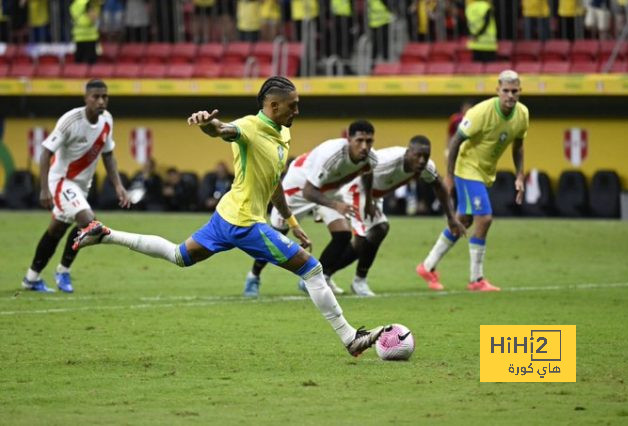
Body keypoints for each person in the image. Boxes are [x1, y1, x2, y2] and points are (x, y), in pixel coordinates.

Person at [73, 76, 385, 357]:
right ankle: (350, 338)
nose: (297, 111)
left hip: (226, 216)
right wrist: (207, 123)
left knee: (179, 256)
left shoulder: (283, 133)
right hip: (245, 223)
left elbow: (274, 180)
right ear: (274, 105)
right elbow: (223, 130)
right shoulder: (249, 126)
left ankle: (106, 234)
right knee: (313, 270)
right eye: (293, 106)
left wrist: (292, 223)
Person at [417, 70, 529, 292]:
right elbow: (457, 141)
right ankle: (476, 279)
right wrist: (448, 177)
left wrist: (519, 175)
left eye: (514, 91)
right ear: (497, 90)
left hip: (485, 172)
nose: (509, 95)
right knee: (484, 219)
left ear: (520, 92)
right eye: (505, 91)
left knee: (464, 220)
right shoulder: (480, 113)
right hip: (467, 169)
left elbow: (518, 145)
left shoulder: (522, 114)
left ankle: (427, 266)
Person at [243, 120, 378, 298]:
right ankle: (254, 276)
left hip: (326, 191)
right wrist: (336, 205)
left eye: (369, 141)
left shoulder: (370, 157)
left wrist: (368, 201)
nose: (364, 146)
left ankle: (314, 280)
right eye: (359, 140)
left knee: (343, 235)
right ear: (348, 139)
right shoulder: (332, 155)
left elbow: (368, 174)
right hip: (298, 188)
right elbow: (308, 191)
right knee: (276, 237)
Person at [21, 79, 130, 293]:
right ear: (86, 98)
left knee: (56, 230)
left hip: (81, 186)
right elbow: (45, 152)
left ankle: (31, 279)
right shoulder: (70, 120)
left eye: (104, 96)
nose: (101, 101)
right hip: (61, 181)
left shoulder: (107, 120)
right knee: (88, 222)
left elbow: (108, 155)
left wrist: (118, 186)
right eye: (96, 97)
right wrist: (44, 188)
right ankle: (63, 271)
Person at [331, 136, 466, 296]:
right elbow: (366, 172)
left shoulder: (426, 167)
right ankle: (345, 278)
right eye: (418, 155)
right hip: (357, 189)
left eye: (426, 156)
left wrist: (451, 218)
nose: (422, 160)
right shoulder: (388, 161)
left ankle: (331, 274)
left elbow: (439, 186)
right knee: (368, 235)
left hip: (374, 194)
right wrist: (368, 202)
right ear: (408, 153)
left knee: (375, 232)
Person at [70, 0, 101, 64]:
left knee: (79, 63)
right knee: (91, 65)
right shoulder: (87, 2)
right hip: (89, 36)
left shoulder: (75, 4)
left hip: (78, 36)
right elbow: (93, 16)